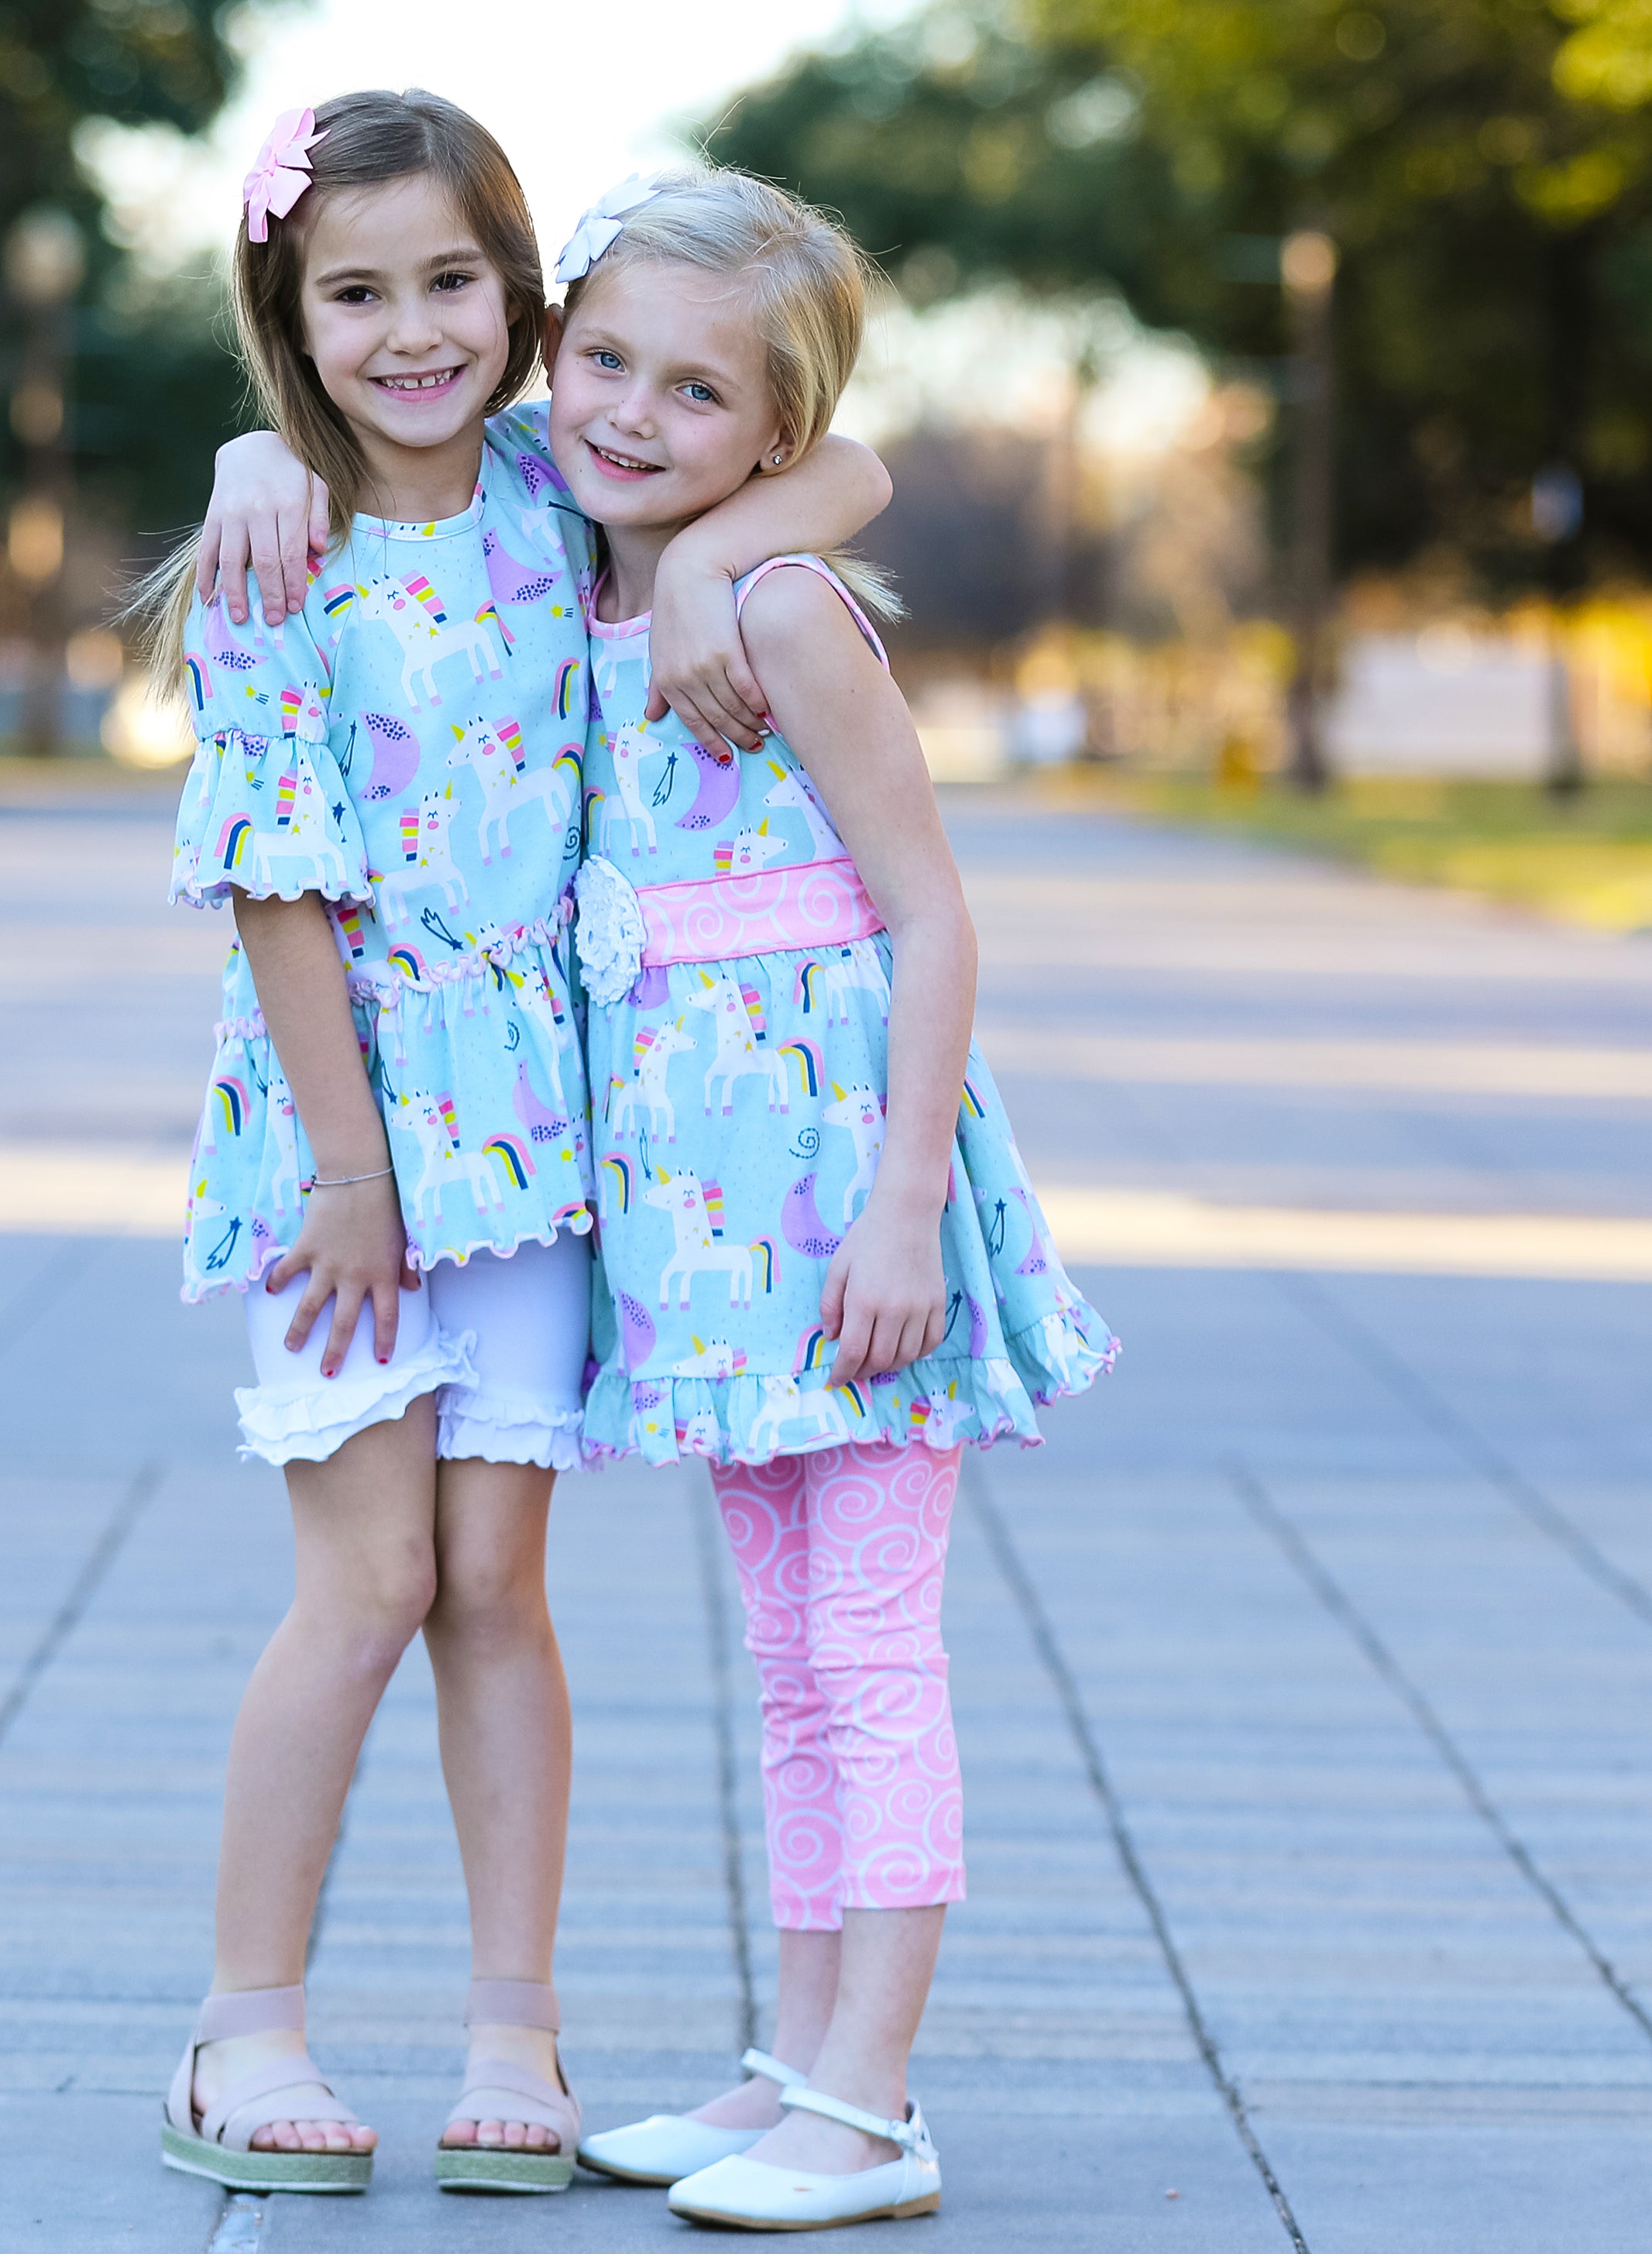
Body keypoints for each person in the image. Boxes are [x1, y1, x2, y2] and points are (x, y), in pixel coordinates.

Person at [143, 92, 891, 2197]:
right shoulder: (275, 550)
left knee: (496, 1589)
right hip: (345, 1152)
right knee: (365, 1581)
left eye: (453, 283)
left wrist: (731, 550)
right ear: (293, 315)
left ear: (528, 300)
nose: (410, 333)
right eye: (354, 294)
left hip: (545, 1154)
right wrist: (352, 1172)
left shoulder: (570, 495)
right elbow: (273, 877)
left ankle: (514, 2031)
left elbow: (842, 454)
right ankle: (244, 2025)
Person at [546, 172, 1119, 2232]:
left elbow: (934, 920)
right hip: (708, 1222)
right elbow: (360, 424)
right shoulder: (592, 566)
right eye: (601, 357)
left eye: (696, 395)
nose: (630, 409)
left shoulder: (786, 611)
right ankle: (795, 2064)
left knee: (869, 1649)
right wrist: (701, 539)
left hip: (840, 1209)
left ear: (766, 440)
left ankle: (873, 2108)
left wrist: (898, 1211)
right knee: (787, 1656)